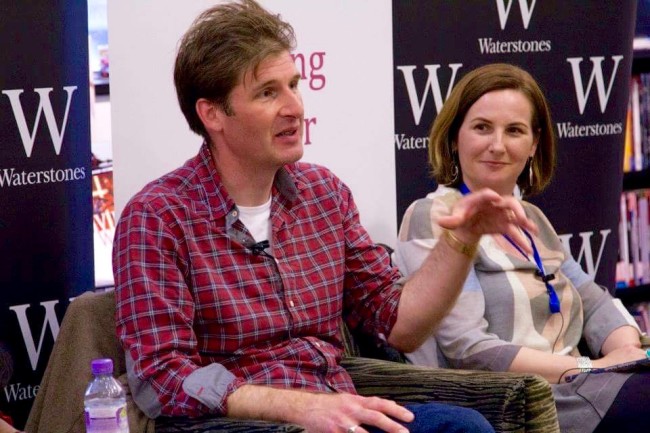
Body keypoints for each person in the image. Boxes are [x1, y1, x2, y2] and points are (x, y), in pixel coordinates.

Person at [113, 3, 537, 432]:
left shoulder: (323, 194)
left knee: (460, 427)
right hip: (242, 424)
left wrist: (461, 238)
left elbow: (400, 326)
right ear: (213, 114)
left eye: (294, 85)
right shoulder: (158, 216)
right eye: (267, 92)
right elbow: (161, 377)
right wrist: (300, 408)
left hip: (339, 412)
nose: (294, 107)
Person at [394, 62, 650, 433]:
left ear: (533, 145)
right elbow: (470, 351)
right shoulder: (432, 216)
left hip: (583, 383)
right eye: (482, 127)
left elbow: (593, 300)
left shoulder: (532, 219)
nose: (497, 145)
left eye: (514, 131)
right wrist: (592, 368)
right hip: (514, 399)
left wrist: (625, 353)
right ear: (454, 138)